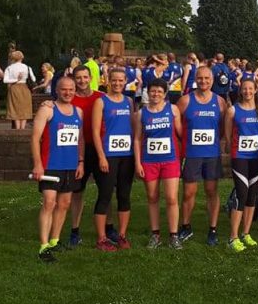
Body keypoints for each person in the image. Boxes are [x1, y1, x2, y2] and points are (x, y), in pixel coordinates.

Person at [30, 76, 84, 262]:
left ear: (75, 90)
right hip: (50, 165)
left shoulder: (78, 112)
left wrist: (81, 162)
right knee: (49, 203)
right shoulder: (47, 109)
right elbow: (35, 138)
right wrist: (38, 164)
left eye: (71, 89)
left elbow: (80, 140)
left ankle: (55, 240)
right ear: (57, 91)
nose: (67, 93)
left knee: (64, 204)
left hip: (70, 166)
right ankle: (43, 247)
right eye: (63, 89)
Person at [177, 66, 227, 246]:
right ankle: (186, 226)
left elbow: (222, 128)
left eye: (207, 78)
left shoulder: (220, 102)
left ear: (212, 80)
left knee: (211, 191)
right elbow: (177, 124)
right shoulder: (185, 101)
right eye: (200, 78)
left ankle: (212, 229)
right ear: (195, 79)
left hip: (212, 155)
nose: (203, 81)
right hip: (191, 154)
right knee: (189, 192)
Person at [134, 78, 183, 249]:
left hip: (170, 160)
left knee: (171, 198)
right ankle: (155, 235)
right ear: (148, 92)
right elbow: (137, 139)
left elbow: (180, 133)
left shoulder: (173, 109)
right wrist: (137, 163)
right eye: (153, 91)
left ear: (165, 93)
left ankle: (173, 235)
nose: (155, 94)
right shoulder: (142, 113)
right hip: (149, 161)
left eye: (159, 92)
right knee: (152, 198)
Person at [66, 65, 110, 246]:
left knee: (106, 191)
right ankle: (75, 230)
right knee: (77, 192)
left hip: (101, 149)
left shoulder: (101, 97)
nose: (82, 81)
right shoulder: (69, 98)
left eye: (85, 77)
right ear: (74, 79)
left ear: (91, 77)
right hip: (78, 149)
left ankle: (109, 226)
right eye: (79, 78)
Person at [91, 68, 135, 251]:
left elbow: (133, 128)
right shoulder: (101, 102)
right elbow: (94, 131)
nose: (117, 84)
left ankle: (122, 235)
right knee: (105, 195)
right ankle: (102, 238)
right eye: (114, 80)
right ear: (108, 81)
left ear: (125, 81)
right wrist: (101, 156)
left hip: (127, 156)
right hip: (108, 155)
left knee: (124, 195)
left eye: (120, 81)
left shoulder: (129, 102)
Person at [224, 79, 258, 252]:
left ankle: (245, 233)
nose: (247, 91)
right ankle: (232, 237)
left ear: (255, 90)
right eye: (244, 89)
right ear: (240, 91)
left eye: (250, 89)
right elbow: (227, 135)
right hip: (240, 157)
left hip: (256, 157)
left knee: (252, 195)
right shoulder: (233, 110)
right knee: (241, 193)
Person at [3, 50, 34, 130]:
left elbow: (5, 80)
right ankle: (22, 128)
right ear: (22, 57)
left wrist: (15, 79)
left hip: (14, 88)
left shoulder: (9, 68)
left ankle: (17, 128)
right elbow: (33, 79)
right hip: (24, 87)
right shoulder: (27, 67)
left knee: (15, 107)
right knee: (25, 107)